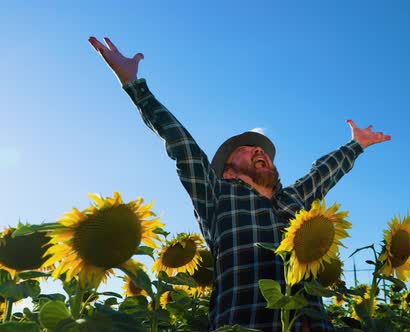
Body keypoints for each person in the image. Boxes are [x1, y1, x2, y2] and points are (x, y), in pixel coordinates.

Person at [88, 36, 391, 332]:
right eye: (246, 150)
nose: (259, 150)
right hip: (242, 322)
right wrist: (135, 86)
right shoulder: (217, 197)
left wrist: (356, 145)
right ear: (228, 171)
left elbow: (324, 172)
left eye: (261, 150)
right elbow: (184, 148)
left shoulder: (294, 198)